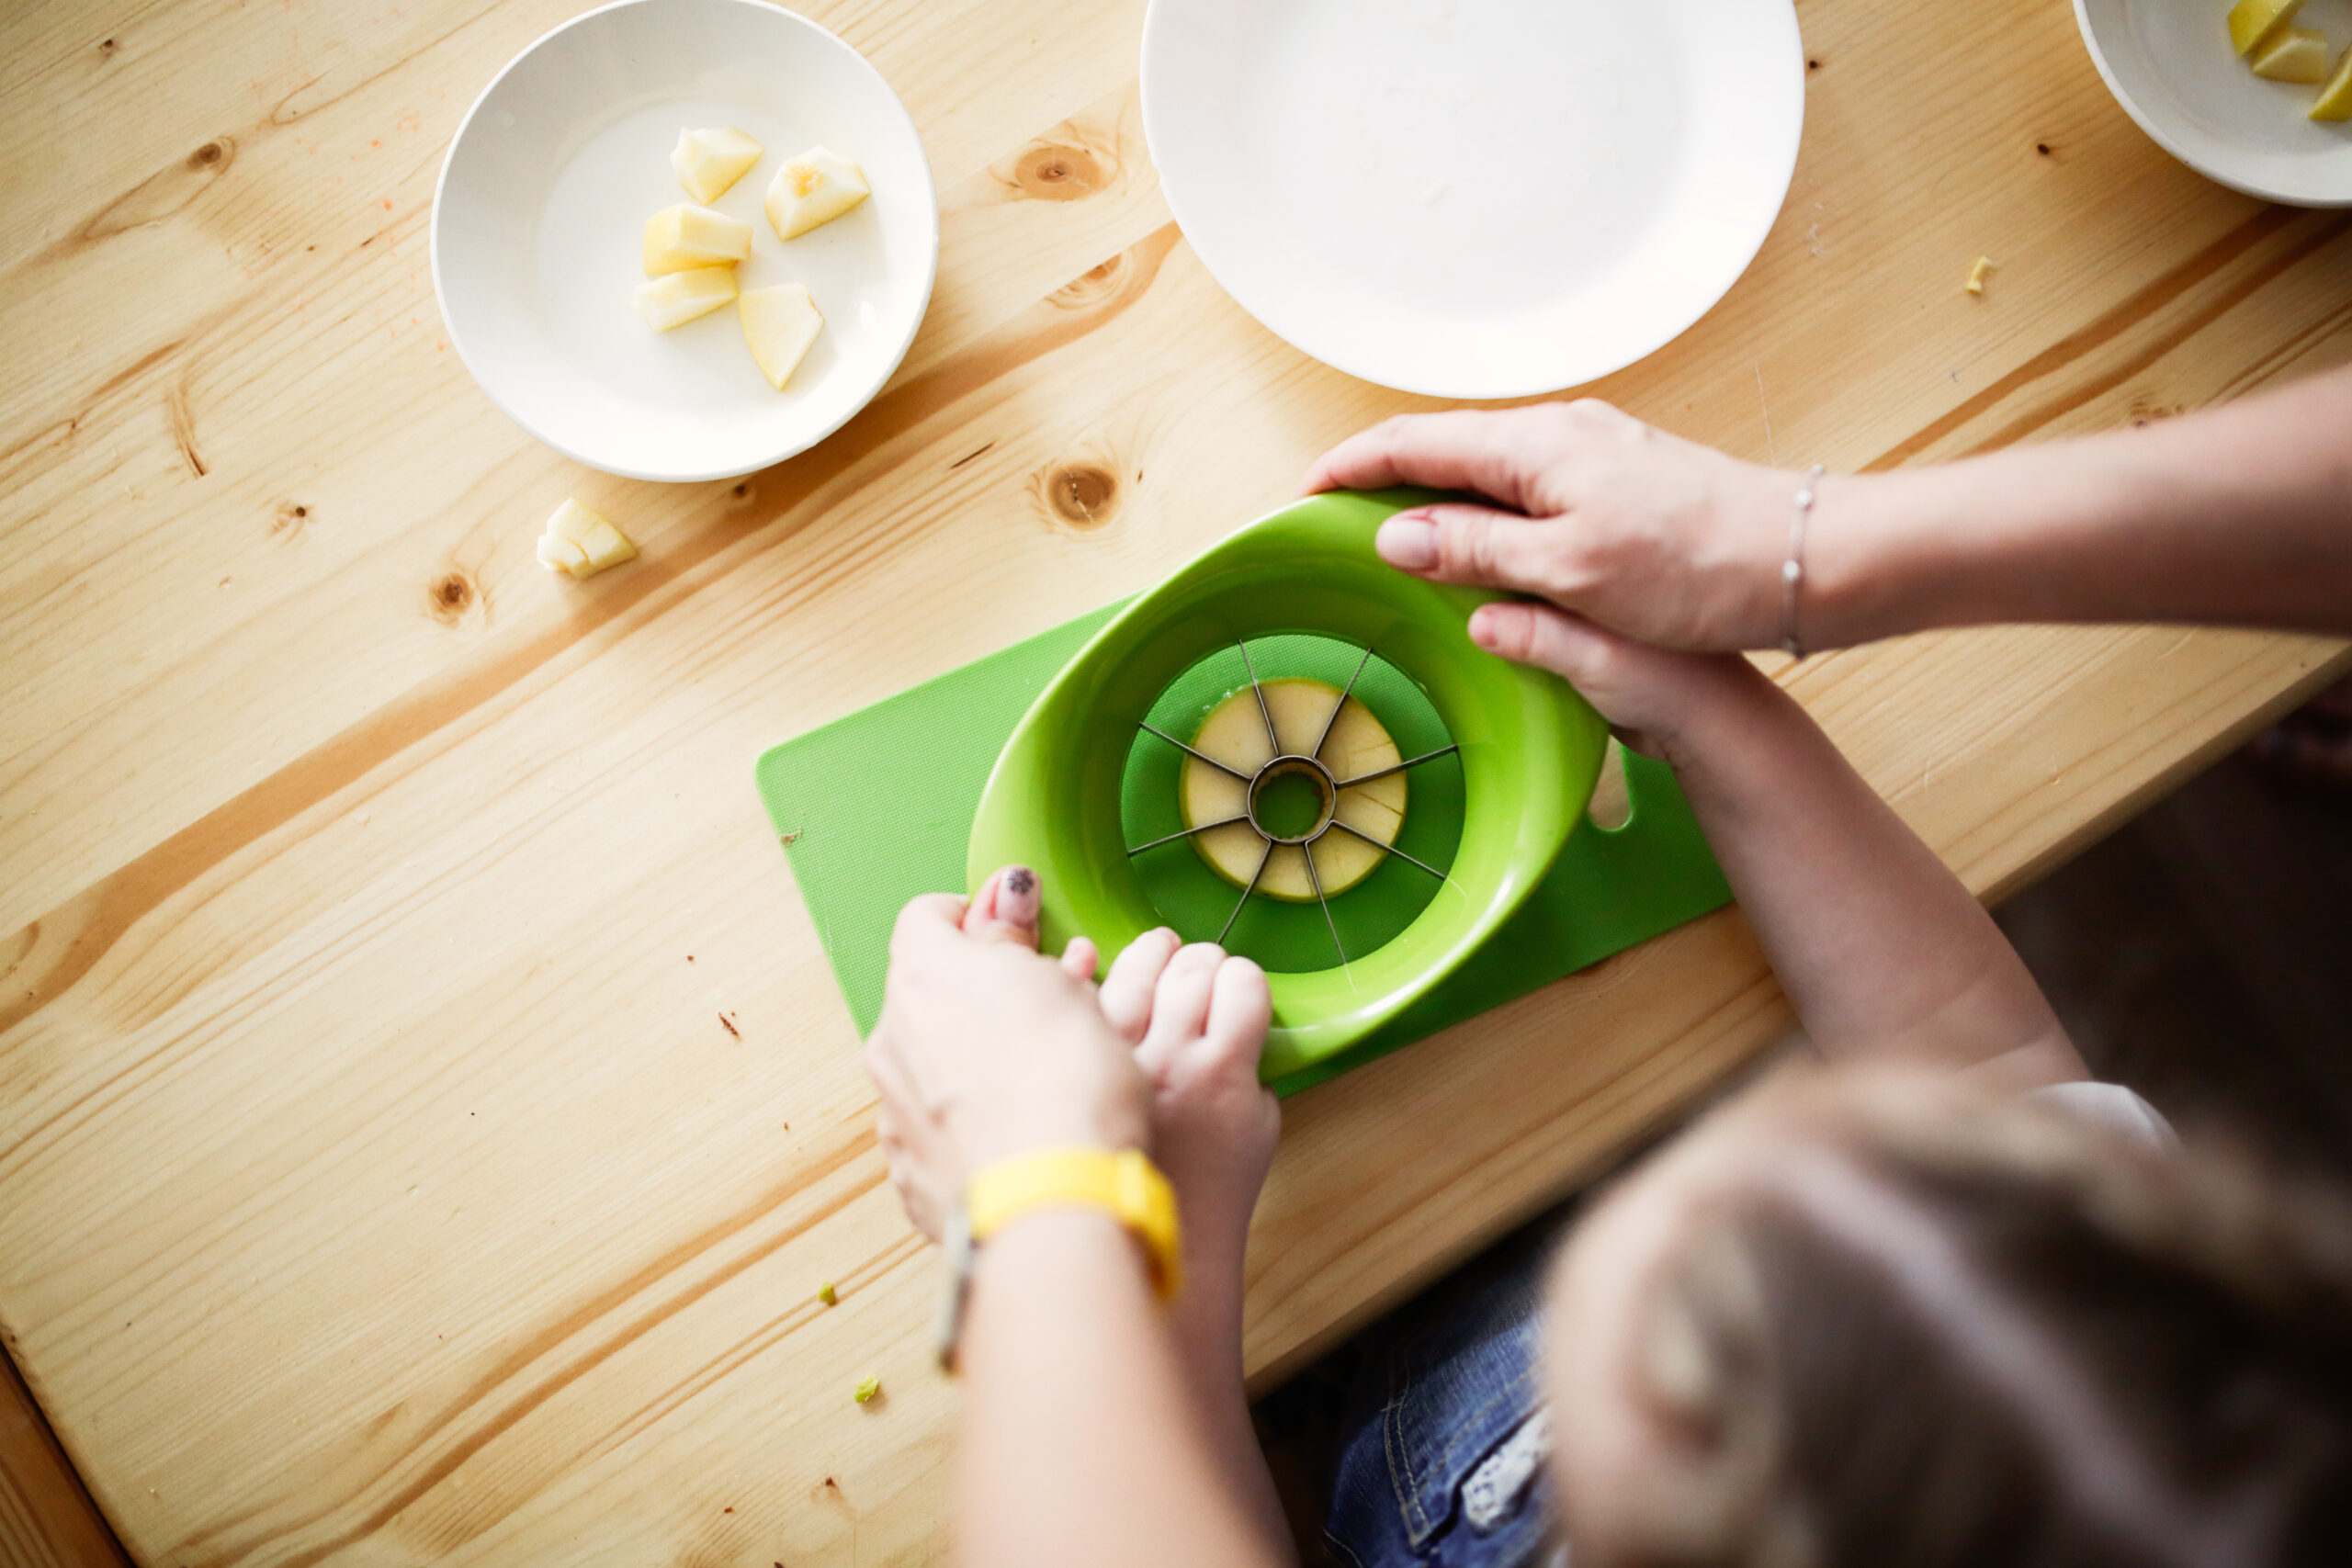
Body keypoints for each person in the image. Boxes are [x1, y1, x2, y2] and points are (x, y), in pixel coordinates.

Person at [861, 365, 2352, 1568]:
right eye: (1877, 1163)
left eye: (1681, 1293)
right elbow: (1996, 1073)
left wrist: (1080, 1232)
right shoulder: (2092, 1365)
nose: (1704, 1175)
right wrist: (1722, 711)